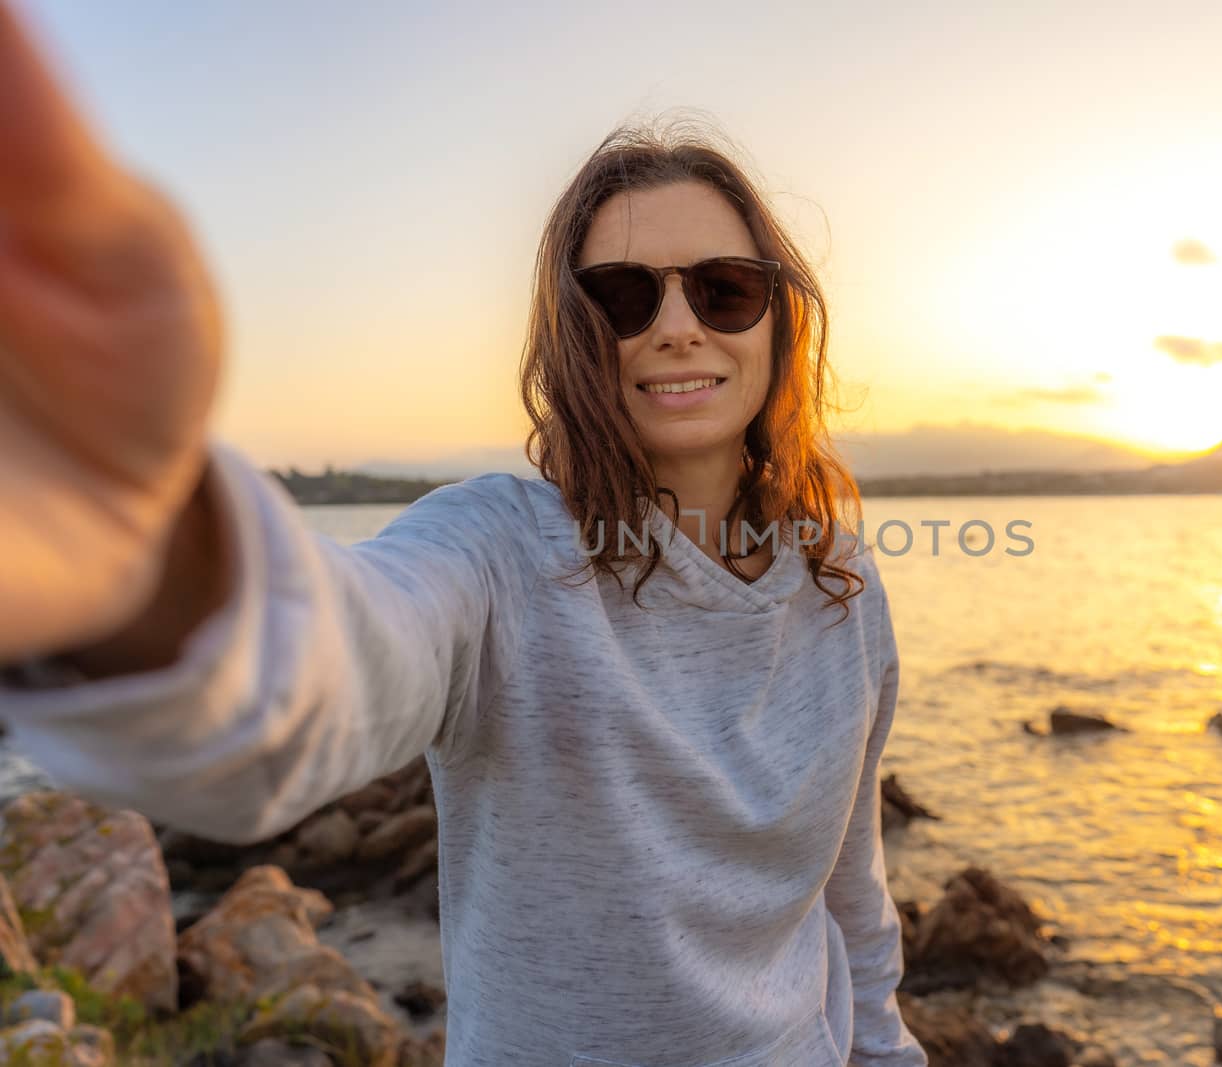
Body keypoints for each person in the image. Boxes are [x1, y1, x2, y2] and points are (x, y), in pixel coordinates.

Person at [0, 6, 927, 1066]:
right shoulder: (497, 550)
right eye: (622, 295)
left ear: (778, 319)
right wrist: (142, 567)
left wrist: (887, 1051)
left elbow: (849, 886)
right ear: (577, 335)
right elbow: (335, 675)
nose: (677, 324)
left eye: (724, 289)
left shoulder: (838, 582)